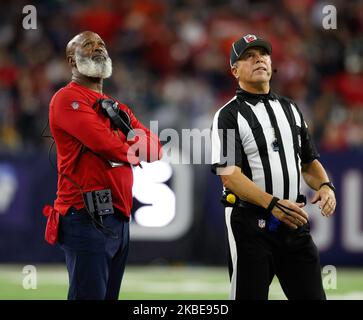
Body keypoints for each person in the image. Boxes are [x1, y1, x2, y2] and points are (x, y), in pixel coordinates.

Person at [210, 34, 336, 300]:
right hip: (251, 224)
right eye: (249, 56)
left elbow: (309, 161)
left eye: (263, 54)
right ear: (235, 70)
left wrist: (325, 186)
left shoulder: (290, 108)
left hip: (292, 223)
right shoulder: (229, 114)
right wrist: (272, 204)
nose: (258, 59)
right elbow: (229, 175)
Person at [43, 31, 162, 300]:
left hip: (118, 217)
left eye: (102, 44)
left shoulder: (117, 106)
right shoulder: (66, 99)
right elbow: (107, 145)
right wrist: (130, 143)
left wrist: (124, 145)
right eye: (88, 44)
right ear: (71, 60)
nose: (98, 48)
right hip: (84, 214)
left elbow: (155, 150)